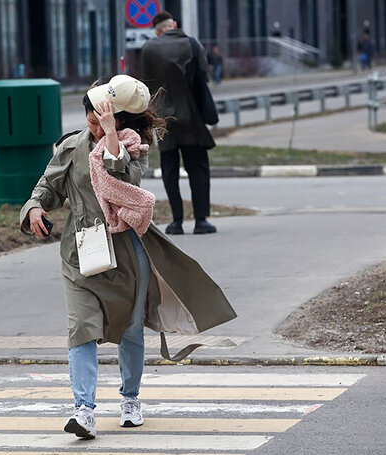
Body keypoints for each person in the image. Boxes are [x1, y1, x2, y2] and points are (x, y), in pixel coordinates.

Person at [19, 75, 236, 439]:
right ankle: (83, 410)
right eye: (90, 119)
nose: (93, 125)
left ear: (119, 119)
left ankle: (130, 399)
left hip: (126, 250)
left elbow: (126, 182)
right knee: (81, 329)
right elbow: (48, 186)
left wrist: (111, 137)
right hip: (81, 250)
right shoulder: (71, 147)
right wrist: (34, 208)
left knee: (131, 329)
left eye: (101, 119)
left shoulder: (134, 147)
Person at [139, 11, 218, 235]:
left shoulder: (148, 49)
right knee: (198, 169)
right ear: (174, 24)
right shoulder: (192, 44)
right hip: (191, 117)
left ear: (156, 30)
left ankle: (176, 221)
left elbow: (144, 85)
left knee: (170, 169)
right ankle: (201, 220)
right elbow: (203, 77)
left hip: (163, 121)